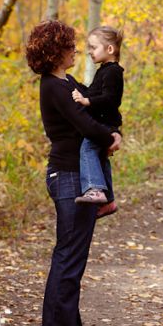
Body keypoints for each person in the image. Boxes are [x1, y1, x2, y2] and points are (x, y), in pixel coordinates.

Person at [26, 19, 121, 326]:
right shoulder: (53, 87)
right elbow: (84, 123)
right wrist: (111, 136)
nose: (75, 50)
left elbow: (96, 105)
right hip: (66, 177)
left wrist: (111, 129)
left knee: (73, 257)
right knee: (68, 256)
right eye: (70, 46)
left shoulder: (66, 81)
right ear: (55, 51)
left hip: (74, 176)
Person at [71, 26, 124, 219]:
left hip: (106, 124)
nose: (90, 52)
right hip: (105, 123)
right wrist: (76, 86)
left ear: (109, 49)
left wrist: (87, 101)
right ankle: (108, 201)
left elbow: (110, 99)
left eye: (93, 48)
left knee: (87, 148)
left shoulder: (113, 73)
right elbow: (94, 92)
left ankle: (95, 190)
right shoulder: (105, 71)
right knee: (101, 159)